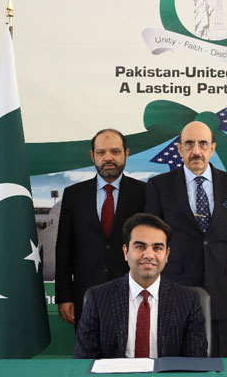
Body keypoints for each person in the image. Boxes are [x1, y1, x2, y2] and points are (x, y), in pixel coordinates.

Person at [145, 121, 227, 357]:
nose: (196, 151)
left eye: (202, 144)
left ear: (212, 148)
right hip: (176, 286)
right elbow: (153, 239)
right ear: (180, 149)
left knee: (219, 362)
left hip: (221, 290)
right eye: (189, 144)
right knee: (175, 361)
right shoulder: (158, 186)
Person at [74, 213, 208, 359]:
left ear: (167, 254)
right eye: (140, 247)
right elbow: (84, 362)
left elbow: (196, 362)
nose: (149, 255)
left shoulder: (188, 300)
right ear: (126, 252)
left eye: (157, 248)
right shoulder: (98, 298)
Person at [55, 129, 146, 326]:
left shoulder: (145, 193)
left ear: (126, 154)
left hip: (133, 295)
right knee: (88, 355)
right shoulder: (73, 195)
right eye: (101, 153)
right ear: (92, 156)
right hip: (84, 296)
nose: (108, 158)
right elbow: (64, 249)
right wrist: (64, 296)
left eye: (115, 151)